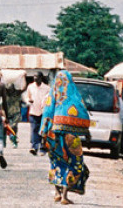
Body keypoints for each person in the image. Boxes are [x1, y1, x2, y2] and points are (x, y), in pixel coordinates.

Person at [42, 70, 91, 205]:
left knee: (56, 163)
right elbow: (83, 112)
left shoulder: (51, 96)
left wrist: (43, 134)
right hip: (70, 136)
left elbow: (46, 113)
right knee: (74, 163)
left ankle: (57, 193)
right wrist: (86, 133)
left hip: (53, 136)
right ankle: (64, 195)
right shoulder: (74, 96)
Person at [26, 73, 50, 155]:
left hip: (43, 112)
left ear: (40, 78)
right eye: (34, 76)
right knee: (34, 129)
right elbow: (27, 97)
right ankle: (34, 147)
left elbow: (49, 99)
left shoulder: (47, 88)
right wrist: (29, 100)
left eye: (36, 76)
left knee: (43, 130)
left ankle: (43, 148)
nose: (34, 77)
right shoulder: (30, 86)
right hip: (33, 111)